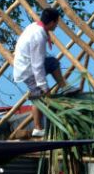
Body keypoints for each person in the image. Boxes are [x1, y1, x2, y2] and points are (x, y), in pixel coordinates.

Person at [13, 8, 78, 138]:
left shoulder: (36, 27)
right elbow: (37, 66)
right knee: (39, 96)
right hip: (28, 70)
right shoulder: (38, 36)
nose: (57, 26)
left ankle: (64, 86)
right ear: (53, 22)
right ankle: (38, 128)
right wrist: (44, 86)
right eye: (57, 23)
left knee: (53, 62)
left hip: (29, 64)